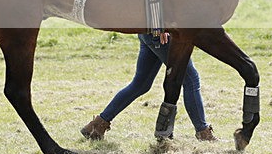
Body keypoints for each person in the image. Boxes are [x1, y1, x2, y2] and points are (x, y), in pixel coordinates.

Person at [81, 34, 217, 141]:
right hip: (161, 33)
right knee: (191, 80)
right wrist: (159, 27)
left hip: (149, 31)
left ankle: (96, 126)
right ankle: (203, 132)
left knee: (141, 84)